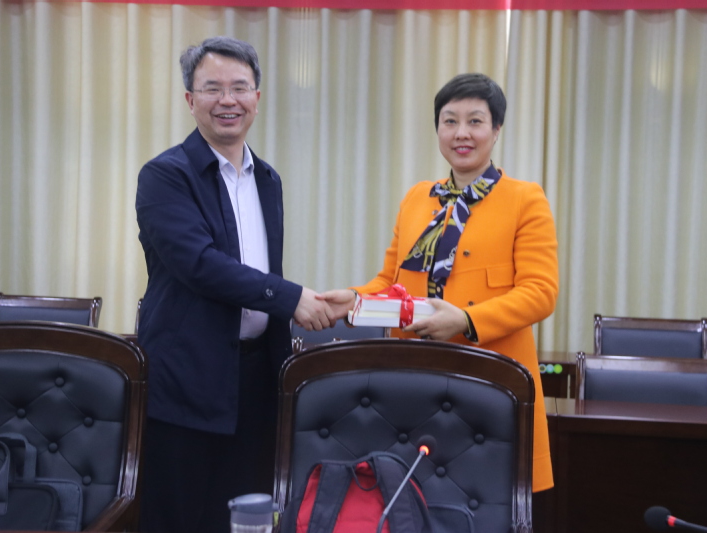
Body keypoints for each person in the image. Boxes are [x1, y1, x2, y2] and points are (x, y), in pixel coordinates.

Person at [323, 73, 559, 492]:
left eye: (475, 121)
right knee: (413, 499)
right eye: (450, 121)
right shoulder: (417, 198)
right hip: (414, 378)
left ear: (496, 129)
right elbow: (390, 281)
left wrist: (466, 321)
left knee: (488, 499)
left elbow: (540, 293)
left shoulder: (525, 199)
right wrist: (353, 299)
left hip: (490, 379)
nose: (461, 133)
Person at [135, 36, 333, 533]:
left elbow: (262, 267)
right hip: (187, 381)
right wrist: (292, 298)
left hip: (256, 381)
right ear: (190, 99)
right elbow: (201, 265)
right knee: (179, 519)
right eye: (213, 88)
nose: (228, 100)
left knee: (248, 518)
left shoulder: (268, 179)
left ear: (257, 98)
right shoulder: (165, 176)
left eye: (240, 87)